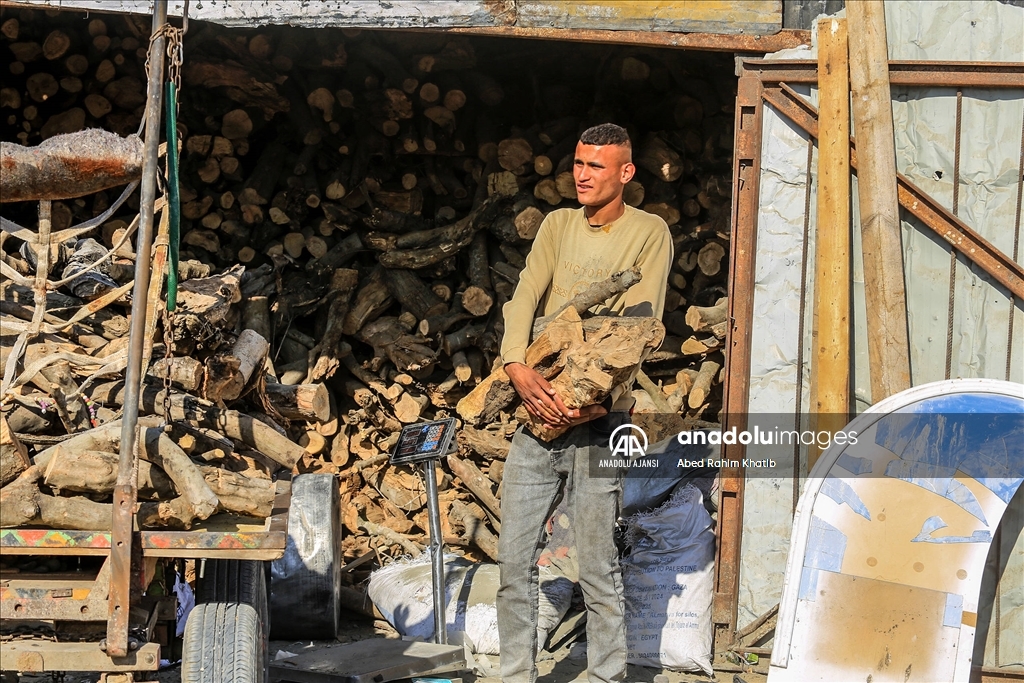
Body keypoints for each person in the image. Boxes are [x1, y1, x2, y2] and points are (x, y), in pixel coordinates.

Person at [495, 123, 673, 683]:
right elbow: (526, 293)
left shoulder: (650, 232)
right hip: (538, 410)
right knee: (513, 561)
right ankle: (516, 674)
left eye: (596, 166)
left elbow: (642, 324)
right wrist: (516, 365)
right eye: (578, 162)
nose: (582, 174)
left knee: (597, 566)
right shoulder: (557, 224)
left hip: (600, 421)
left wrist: (599, 399)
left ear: (625, 173)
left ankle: (605, 676)